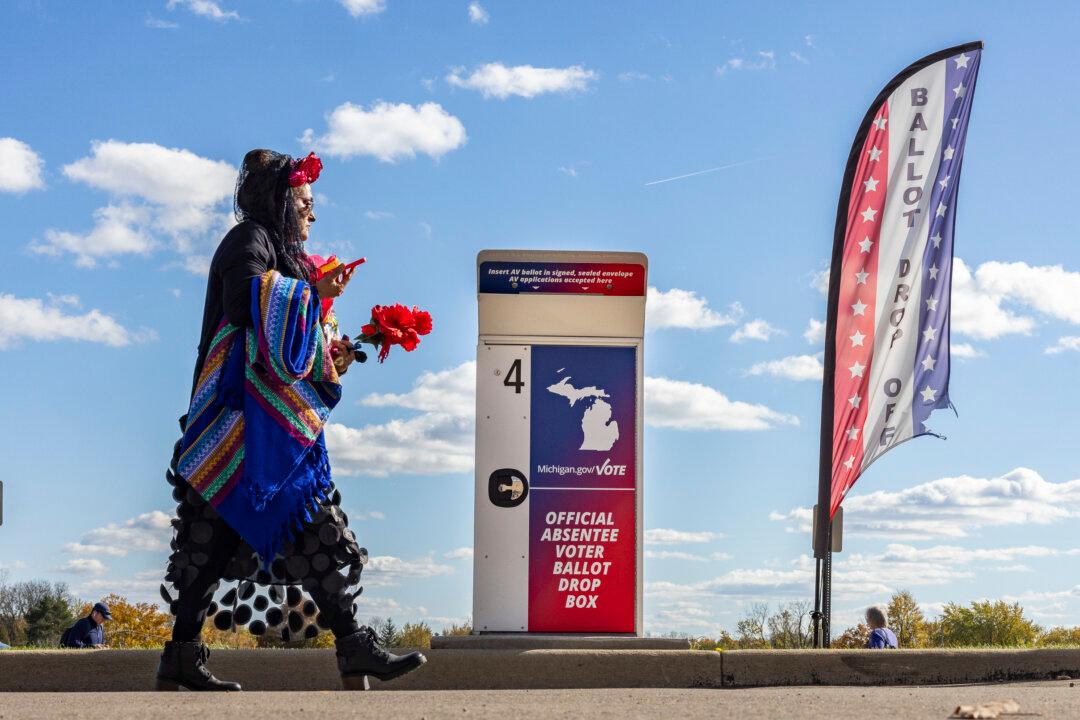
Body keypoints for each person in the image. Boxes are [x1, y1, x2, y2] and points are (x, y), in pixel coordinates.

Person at [157, 149, 426, 691]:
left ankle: (348, 647)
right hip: (236, 426)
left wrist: (337, 348)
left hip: (271, 430)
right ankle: (344, 649)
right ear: (281, 201)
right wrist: (312, 296)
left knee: (309, 531)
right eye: (306, 202)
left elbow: (291, 345)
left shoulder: (283, 253)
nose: (313, 214)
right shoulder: (247, 242)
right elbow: (244, 311)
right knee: (211, 544)